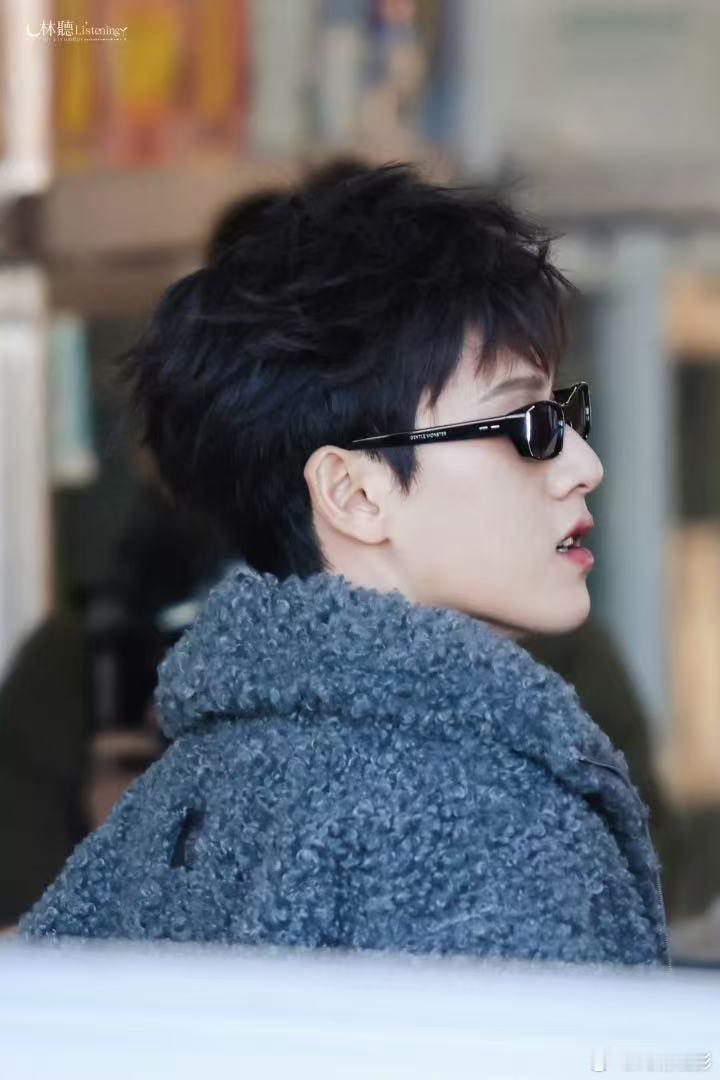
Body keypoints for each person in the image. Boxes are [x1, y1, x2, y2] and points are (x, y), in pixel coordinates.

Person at [17, 161, 670, 967]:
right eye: (527, 425)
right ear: (354, 493)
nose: (583, 466)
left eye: (565, 415)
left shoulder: (170, 803)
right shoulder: (488, 821)